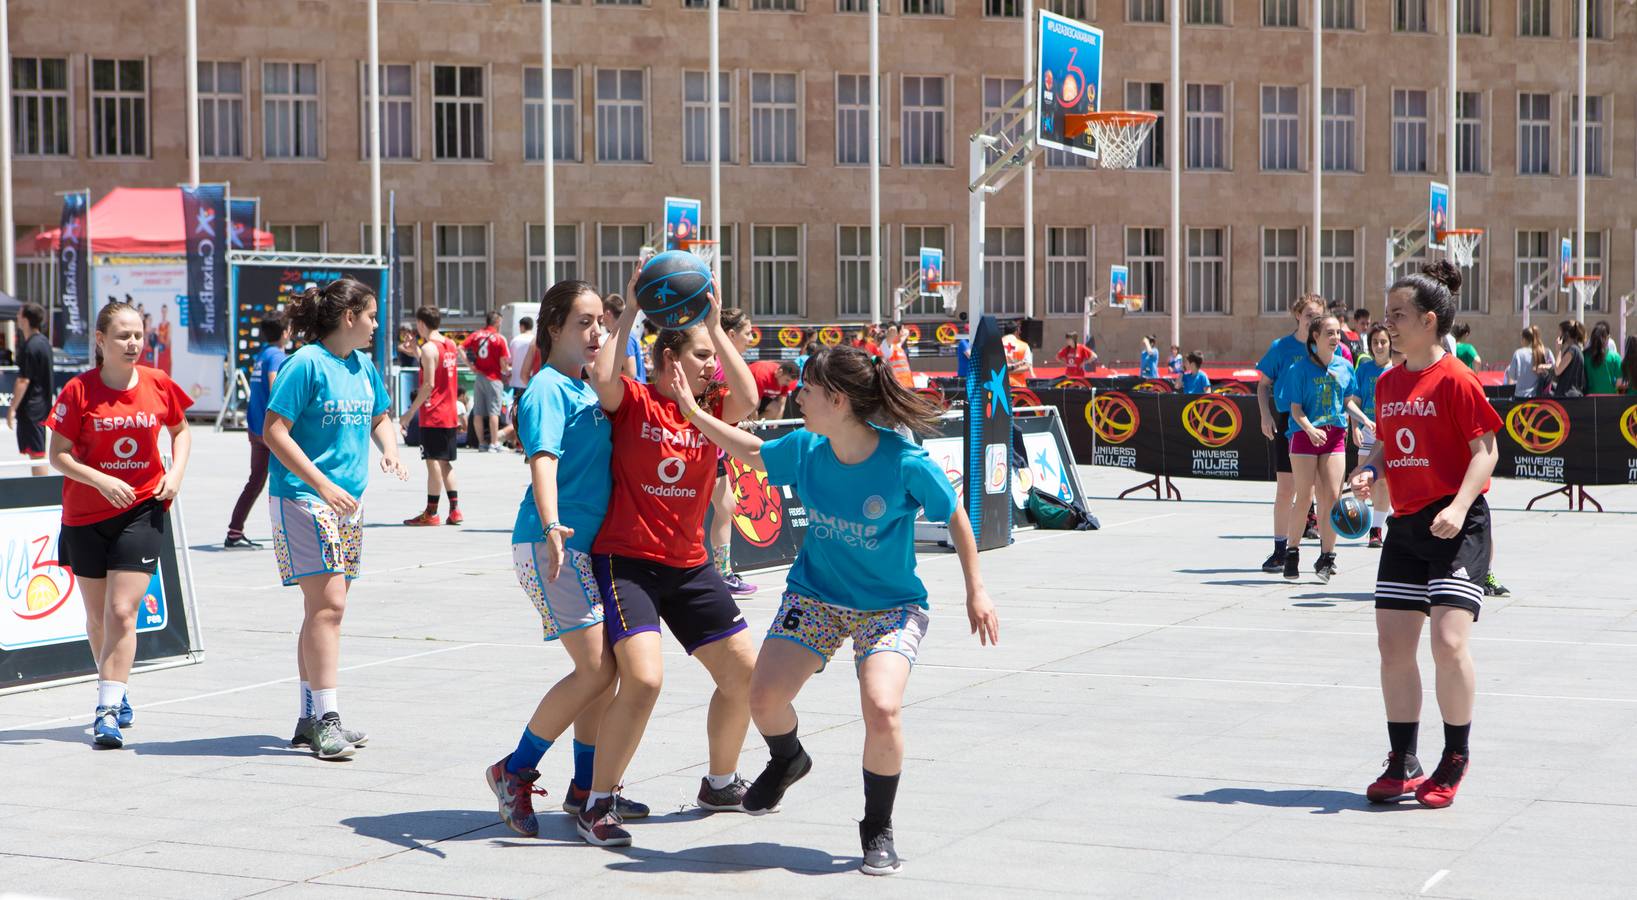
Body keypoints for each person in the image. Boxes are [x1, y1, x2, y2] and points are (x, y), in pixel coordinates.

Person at [677, 345, 1000, 876]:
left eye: (807, 389)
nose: (798, 396)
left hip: (889, 608)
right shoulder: (807, 447)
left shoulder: (903, 462)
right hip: (815, 596)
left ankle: (877, 828)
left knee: (882, 708)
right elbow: (755, 451)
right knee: (763, 697)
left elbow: (957, 516)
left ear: (838, 400)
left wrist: (976, 590)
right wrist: (695, 414)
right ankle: (788, 759)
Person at [573, 283, 761, 847]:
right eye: (701, 354)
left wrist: (715, 322)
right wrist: (629, 309)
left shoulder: (708, 411)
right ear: (666, 359)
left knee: (743, 675)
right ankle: (597, 802)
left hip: (690, 565)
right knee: (646, 680)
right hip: (628, 562)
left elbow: (749, 395)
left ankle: (720, 783)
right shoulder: (633, 398)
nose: (711, 365)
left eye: (713, 354)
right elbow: (603, 378)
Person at [484, 279, 651, 838]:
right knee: (597, 670)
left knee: (602, 675)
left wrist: (628, 317)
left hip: (588, 546)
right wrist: (554, 525)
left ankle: (585, 789)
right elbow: (543, 462)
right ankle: (515, 769)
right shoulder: (547, 390)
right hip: (550, 543)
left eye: (600, 322)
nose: (595, 332)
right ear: (553, 328)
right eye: (583, 322)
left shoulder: (587, 386)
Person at [1347, 260, 1501, 810]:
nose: (1388, 323)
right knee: (1393, 647)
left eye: (1398, 314)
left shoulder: (1457, 378)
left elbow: (1487, 451)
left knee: (1448, 643)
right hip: (1407, 525)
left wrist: (1460, 506)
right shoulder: (1387, 382)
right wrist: (1371, 470)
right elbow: (1387, 444)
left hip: (1457, 524)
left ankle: (1454, 757)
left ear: (1430, 321)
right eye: (1387, 313)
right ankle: (1403, 758)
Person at [262, 278, 407, 760]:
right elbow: (274, 432)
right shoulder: (305, 364)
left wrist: (389, 450)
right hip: (303, 496)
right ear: (349, 317)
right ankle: (327, 718)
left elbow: (380, 417)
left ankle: (309, 716)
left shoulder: (363, 365)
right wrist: (321, 483)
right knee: (331, 607)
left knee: (320, 609)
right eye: (370, 315)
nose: (374, 325)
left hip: (346, 503)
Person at [46, 300, 193, 749]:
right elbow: (58, 455)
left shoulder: (159, 384)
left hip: (142, 510)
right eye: (123, 336)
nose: (133, 344)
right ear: (100, 341)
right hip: (86, 516)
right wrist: (101, 479)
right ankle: (117, 688)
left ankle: (106, 709)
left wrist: (176, 473)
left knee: (121, 612)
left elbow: (181, 430)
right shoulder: (78, 391)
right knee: (96, 618)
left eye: (138, 335)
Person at [1279, 313, 1366, 584]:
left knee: (1332, 496)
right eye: (1329, 333)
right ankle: (1291, 551)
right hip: (1305, 436)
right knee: (1305, 496)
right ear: (1315, 338)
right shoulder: (1299, 370)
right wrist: (1309, 429)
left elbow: (1347, 402)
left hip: (1334, 435)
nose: (1335, 337)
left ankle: (1327, 557)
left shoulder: (1344, 366)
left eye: (1337, 333)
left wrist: (1363, 420)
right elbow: (1295, 410)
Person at [1256, 295, 1324, 573]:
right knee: (1286, 490)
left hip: (1321, 421)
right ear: (1298, 315)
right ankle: (1279, 549)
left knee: (1322, 490)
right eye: (1308, 314)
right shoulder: (1281, 348)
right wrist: (1265, 415)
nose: (1312, 320)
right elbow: (1263, 385)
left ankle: (1326, 554)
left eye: (1317, 315)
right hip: (1289, 422)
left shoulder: (1327, 348)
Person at [225, 318, 288, 548]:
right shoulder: (277, 356)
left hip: (256, 427)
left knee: (256, 480)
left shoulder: (263, 354)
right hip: (272, 430)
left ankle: (234, 531)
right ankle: (293, 531)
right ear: (284, 332)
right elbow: (275, 386)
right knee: (290, 478)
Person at [711, 307, 759, 595]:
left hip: (714, 450)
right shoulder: (720, 366)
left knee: (726, 507)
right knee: (725, 507)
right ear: (730, 335)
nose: (751, 338)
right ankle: (721, 574)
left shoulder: (727, 364)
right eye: (747, 333)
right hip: (706, 450)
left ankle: (722, 572)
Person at [401, 306, 463, 527]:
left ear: (421, 323)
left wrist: (409, 413)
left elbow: (429, 384)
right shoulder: (449, 345)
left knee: (432, 462)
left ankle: (432, 512)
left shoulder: (428, 348)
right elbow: (434, 365)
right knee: (446, 462)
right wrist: (415, 353)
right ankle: (455, 510)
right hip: (449, 412)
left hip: (434, 413)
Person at [1353, 324, 1393, 548]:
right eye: (1375, 342)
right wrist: (1356, 427)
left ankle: (1376, 530)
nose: (1379, 346)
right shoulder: (1364, 369)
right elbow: (1355, 402)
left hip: (1387, 432)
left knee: (1382, 483)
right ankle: (1376, 515)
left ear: (1390, 344)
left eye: (1383, 342)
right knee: (1364, 481)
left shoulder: (1396, 369)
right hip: (1368, 431)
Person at [7, 301, 53, 476]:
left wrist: (12, 409)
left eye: (19, 314)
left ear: (25, 319)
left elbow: (23, 381)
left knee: (37, 453)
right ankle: (40, 490)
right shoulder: (43, 342)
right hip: (40, 405)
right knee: (36, 452)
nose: (17, 318)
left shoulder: (31, 346)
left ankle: (42, 493)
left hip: (33, 407)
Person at [462, 311, 512, 451]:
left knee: (478, 411)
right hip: (494, 378)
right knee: (494, 412)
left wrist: (469, 365)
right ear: (496, 322)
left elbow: (460, 348)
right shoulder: (499, 338)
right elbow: (503, 362)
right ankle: (494, 443)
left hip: (479, 377)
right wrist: (507, 371)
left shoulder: (476, 335)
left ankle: (482, 443)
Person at [1503, 326, 1554, 399]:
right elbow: (1555, 370)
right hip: (1541, 398)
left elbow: (1512, 376)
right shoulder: (1546, 352)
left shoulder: (1518, 353)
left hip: (1521, 397)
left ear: (1524, 339)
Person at [1549, 320, 1587, 398]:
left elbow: (1558, 370)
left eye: (1560, 332)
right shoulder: (1575, 349)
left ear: (1566, 334)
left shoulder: (1572, 350)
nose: (1558, 335)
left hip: (1568, 395)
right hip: (1570, 395)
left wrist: (1558, 350)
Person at [1583, 321, 1622, 395]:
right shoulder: (1615, 357)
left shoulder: (1585, 355)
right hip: (1610, 397)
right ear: (1608, 338)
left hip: (1590, 397)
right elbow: (1619, 383)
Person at [881, 324, 915, 389]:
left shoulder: (898, 346)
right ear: (896, 333)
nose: (903, 333)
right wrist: (894, 327)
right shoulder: (887, 347)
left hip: (908, 386)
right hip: (897, 387)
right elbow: (892, 331)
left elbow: (906, 332)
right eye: (901, 331)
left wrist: (900, 328)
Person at [1001, 321, 1034, 387]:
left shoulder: (996, 345)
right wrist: (1011, 371)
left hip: (999, 385)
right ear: (1016, 331)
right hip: (1018, 386)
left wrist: (1005, 372)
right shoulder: (1024, 346)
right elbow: (1027, 366)